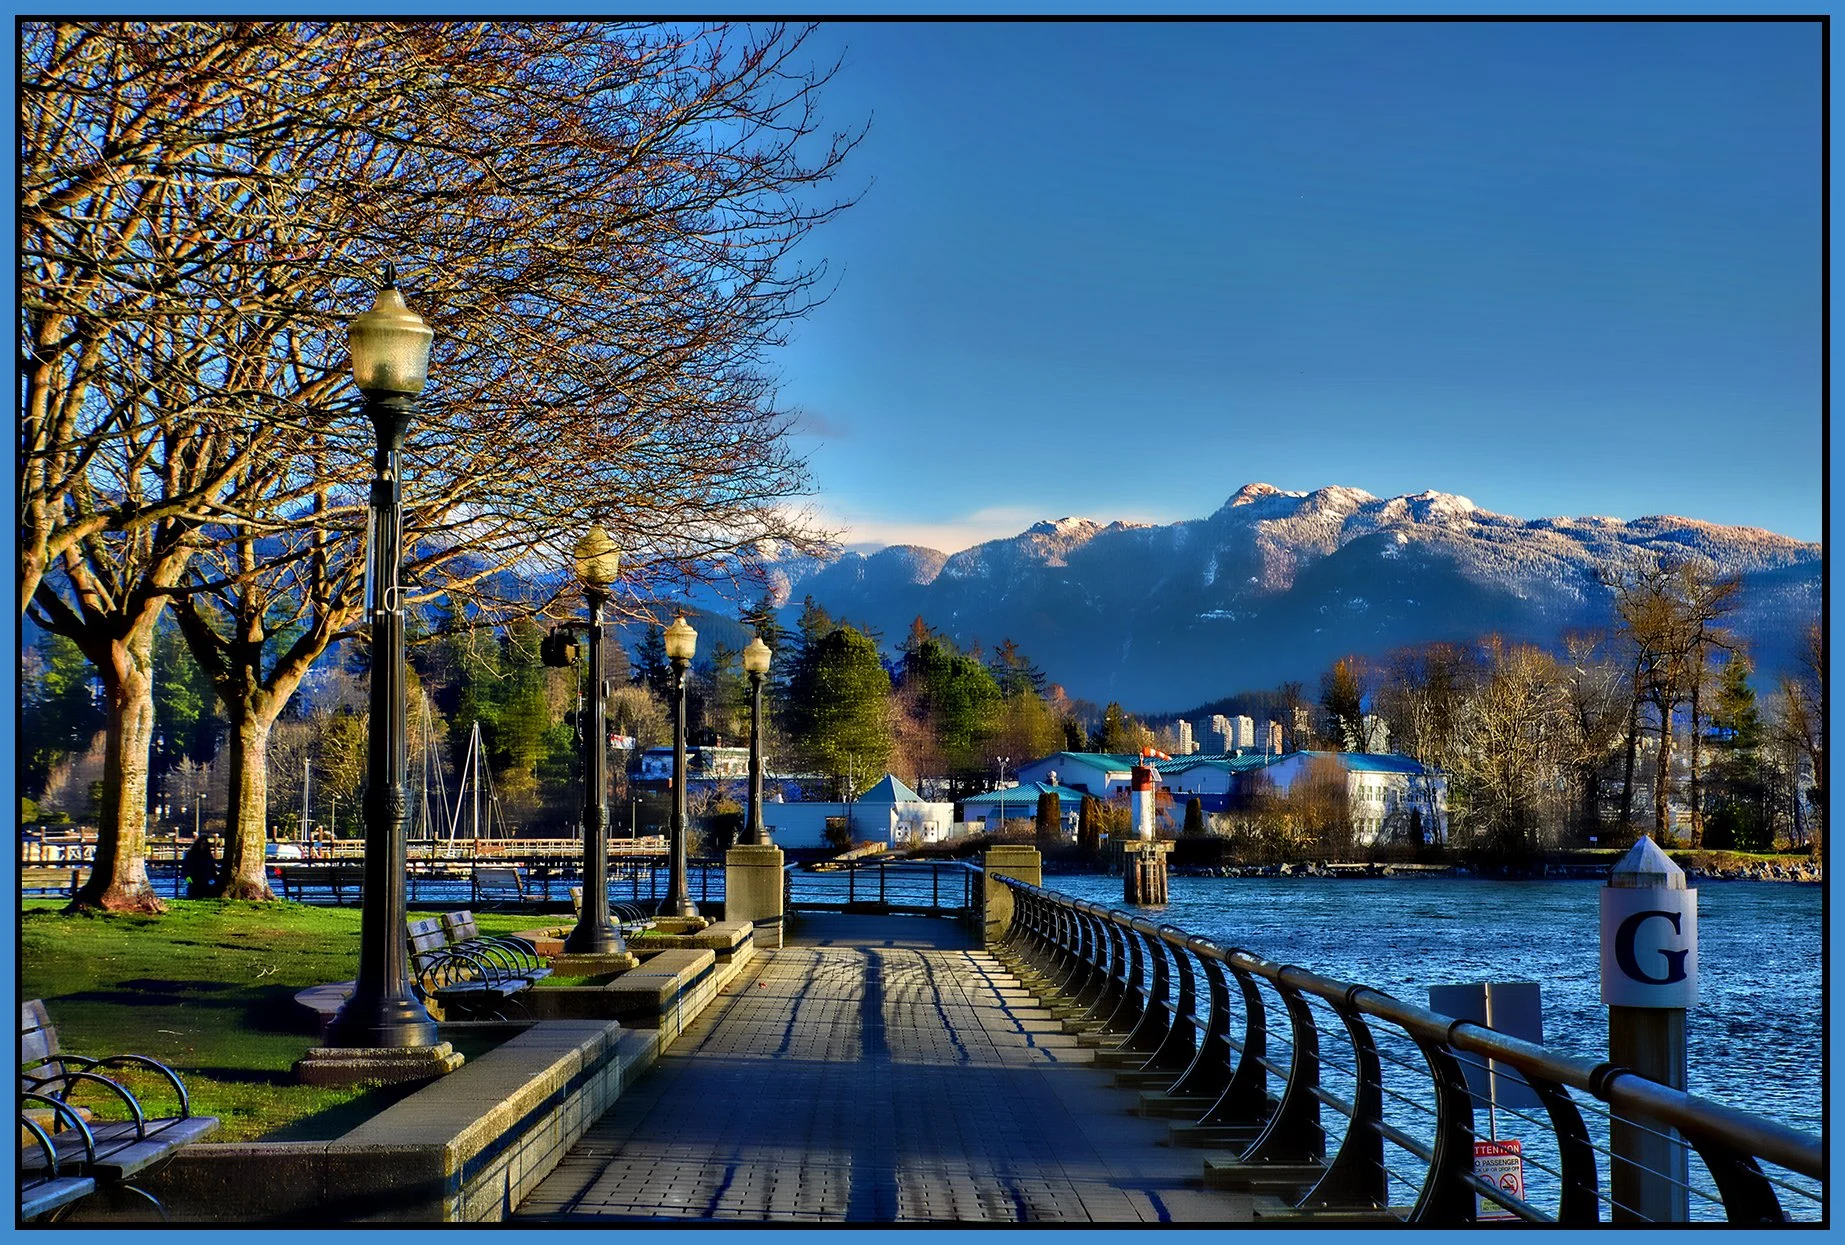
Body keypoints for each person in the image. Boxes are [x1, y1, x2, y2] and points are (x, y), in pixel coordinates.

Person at [181, 834, 219, 899]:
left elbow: (212, 868)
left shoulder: (208, 855)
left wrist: (216, 879)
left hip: (205, 881)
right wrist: (189, 880)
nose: (204, 846)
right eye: (203, 844)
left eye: (206, 844)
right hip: (194, 882)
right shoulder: (191, 854)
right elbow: (185, 869)